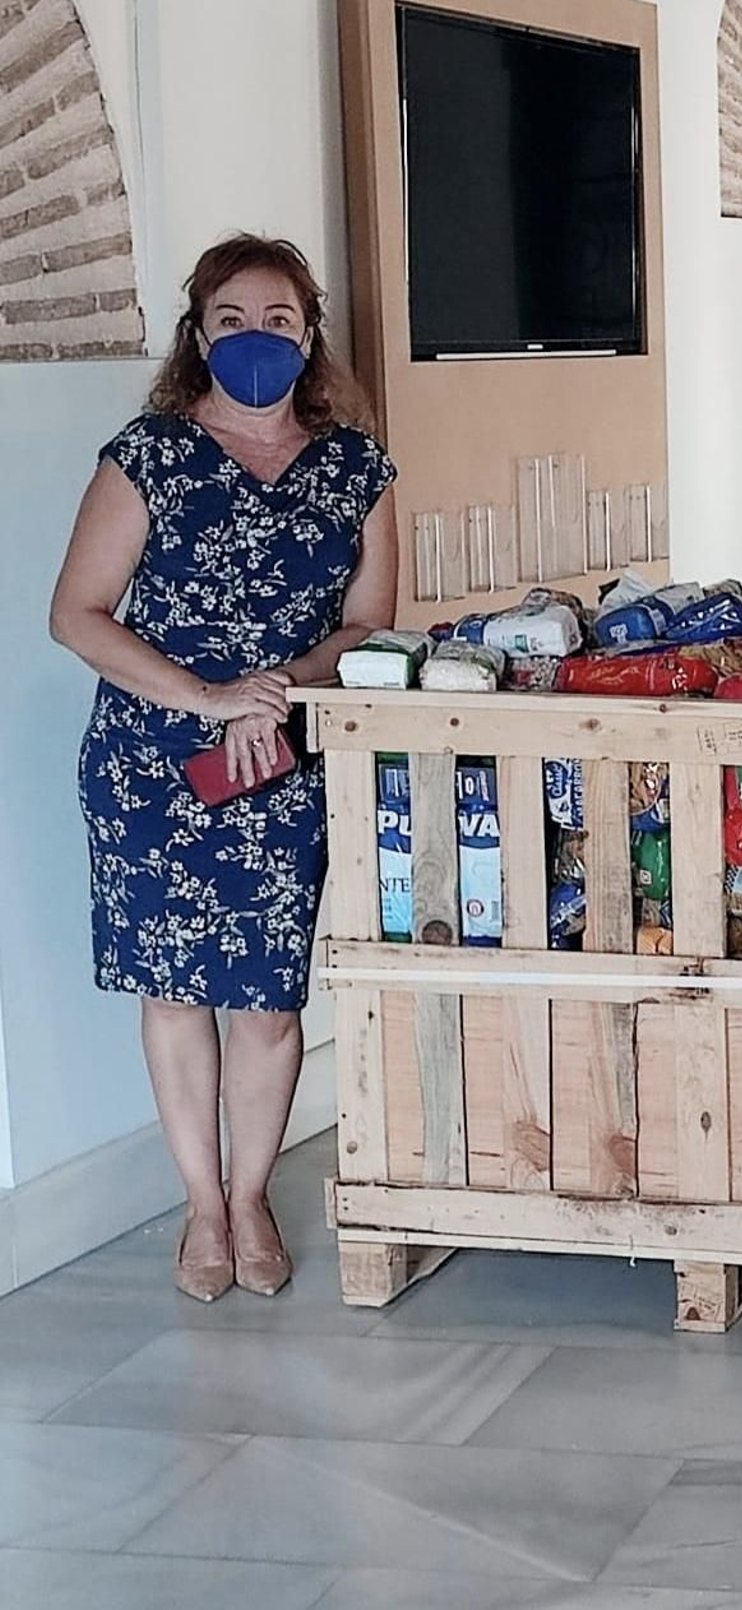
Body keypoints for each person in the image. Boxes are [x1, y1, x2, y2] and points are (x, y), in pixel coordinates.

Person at [49, 235, 398, 1302]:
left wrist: (279, 685)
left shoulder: (357, 469)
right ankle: (201, 1206)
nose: (258, 338)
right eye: (234, 319)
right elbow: (76, 614)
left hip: (282, 762)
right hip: (154, 762)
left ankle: (251, 1196)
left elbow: (370, 623)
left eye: (280, 321)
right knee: (172, 990)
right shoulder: (148, 454)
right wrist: (207, 697)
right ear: (199, 335)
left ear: (309, 336)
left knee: (266, 1001)